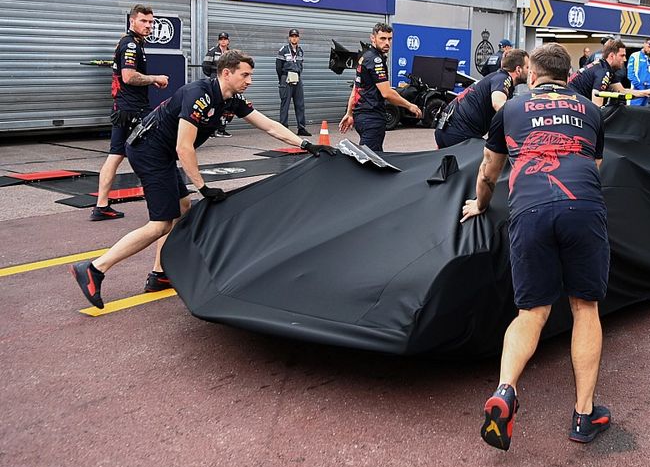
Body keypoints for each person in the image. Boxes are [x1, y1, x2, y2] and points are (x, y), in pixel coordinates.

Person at [71, 50, 335, 308]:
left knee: (182, 207)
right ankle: (95, 269)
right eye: (245, 75)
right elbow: (184, 147)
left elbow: (268, 125)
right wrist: (203, 187)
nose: (250, 81)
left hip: (161, 152)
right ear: (226, 73)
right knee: (160, 225)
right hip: (148, 151)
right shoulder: (199, 94)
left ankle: (159, 274)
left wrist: (306, 144)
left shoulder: (231, 99)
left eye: (250, 75)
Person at [461, 43, 611, 451]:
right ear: (569, 75)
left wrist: (481, 204)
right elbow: (595, 168)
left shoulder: (510, 109)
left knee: (531, 312)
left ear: (531, 74)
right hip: (582, 205)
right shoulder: (591, 110)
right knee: (585, 307)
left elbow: (488, 173)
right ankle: (583, 415)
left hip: (529, 210)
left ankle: (505, 390)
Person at [91, 5, 168, 222]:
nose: (148, 25)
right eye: (144, 21)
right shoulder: (131, 45)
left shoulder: (132, 42)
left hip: (124, 108)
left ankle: (101, 206)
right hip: (133, 110)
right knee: (159, 149)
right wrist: (155, 78)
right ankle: (167, 202)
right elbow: (128, 76)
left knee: (116, 155)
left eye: (151, 22)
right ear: (132, 21)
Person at [339, 23, 422, 151]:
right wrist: (409, 105)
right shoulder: (375, 60)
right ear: (373, 38)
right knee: (370, 159)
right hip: (372, 118)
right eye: (382, 38)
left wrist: (350, 113)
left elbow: (356, 88)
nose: (387, 43)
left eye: (389, 39)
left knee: (371, 155)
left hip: (362, 117)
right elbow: (386, 93)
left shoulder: (365, 57)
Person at [435, 49, 529, 148]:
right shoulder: (503, 78)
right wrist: (523, 121)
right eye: (527, 67)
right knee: (492, 155)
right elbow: (498, 104)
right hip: (459, 132)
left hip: (444, 129)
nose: (530, 71)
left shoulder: (495, 77)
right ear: (518, 70)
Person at [568, 39, 650, 107]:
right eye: (622, 56)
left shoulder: (605, 67)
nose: (625, 59)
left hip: (571, 98)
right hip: (569, 101)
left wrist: (646, 92)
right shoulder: (603, 72)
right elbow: (597, 107)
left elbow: (622, 91)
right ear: (612, 56)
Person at [276, 29, 309, 136]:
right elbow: (278, 66)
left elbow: (301, 65)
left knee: (300, 104)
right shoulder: (283, 50)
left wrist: (298, 74)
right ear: (289, 38)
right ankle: (283, 128)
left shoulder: (300, 51)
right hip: (286, 78)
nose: (294, 38)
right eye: (292, 36)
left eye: (296, 36)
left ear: (298, 38)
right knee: (285, 104)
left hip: (297, 78)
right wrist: (282, 79)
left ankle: (301, 128)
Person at [203, 32, 233, 137]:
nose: (223, 41)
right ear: (218, 41)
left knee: (226, 105)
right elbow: (205, 66)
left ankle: (221, 129)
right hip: (215, 81)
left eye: (225, 39)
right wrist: (213, 75)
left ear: (228, 41)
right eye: (221, 39)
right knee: (213, 105)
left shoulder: (231, 53)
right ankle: (210, 131)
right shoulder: (212, 52)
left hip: (227, 82)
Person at [626, 38, 650, 107]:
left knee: (647, 113)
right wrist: (641, 88)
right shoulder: (635, 55)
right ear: (644, 44)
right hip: (637, 92)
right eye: (649, 47)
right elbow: (630, 75)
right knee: (634, 112)